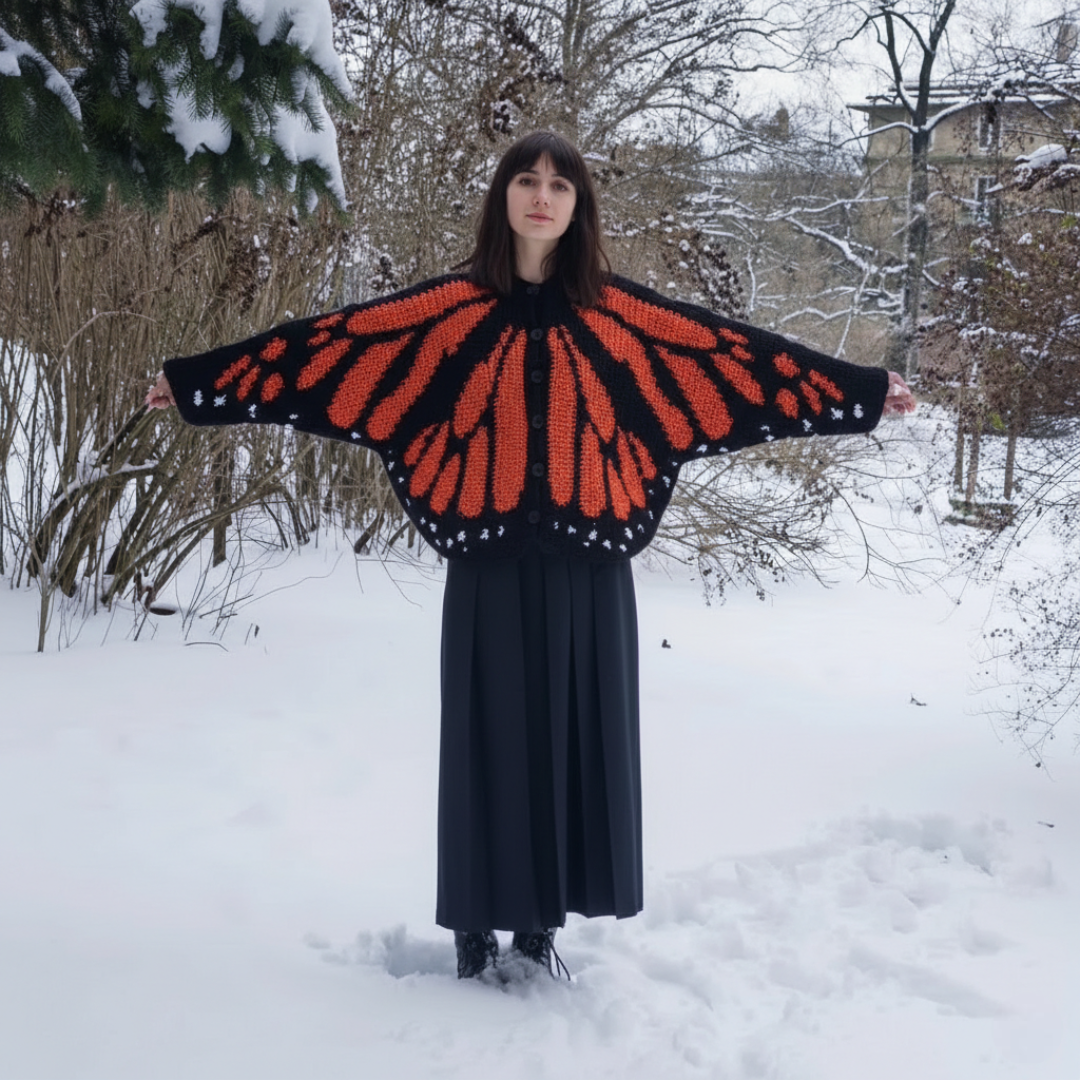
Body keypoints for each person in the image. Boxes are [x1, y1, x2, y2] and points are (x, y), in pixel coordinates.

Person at [147, 130, 916, 982]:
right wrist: (200, 383)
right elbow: (326, 354)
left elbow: (745, 368)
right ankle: (475, 928)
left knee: (569, 745)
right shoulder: (444, 313)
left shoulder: (626, 318)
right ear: (503, 197)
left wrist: (861, 394)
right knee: (487, 746)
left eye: (559, 184)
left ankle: (538, 929)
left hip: (591, 571)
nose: (542, 196)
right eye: (526, 180)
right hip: (490, 567)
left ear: (579, 205)